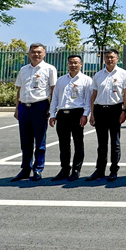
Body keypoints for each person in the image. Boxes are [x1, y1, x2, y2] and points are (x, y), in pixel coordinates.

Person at [12, 43, 57, 182]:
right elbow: (20, 89)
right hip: (24, 107)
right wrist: (17, 108)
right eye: (33, 52)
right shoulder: (23, 69)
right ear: (29, 54)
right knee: (25, 141)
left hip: (40, 106)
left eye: (39, 52)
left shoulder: (49, 69)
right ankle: (25, 169)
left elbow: (53, 90)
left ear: (44, 54)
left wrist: (52, 109)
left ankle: (38, 169)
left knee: (40, 141)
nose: (36, 54)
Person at [87, 49, 126, 182]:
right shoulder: (98, 75)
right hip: (100, 110)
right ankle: (100, 170)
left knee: (115, 142)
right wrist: (92, 113)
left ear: (117, 59)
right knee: (102, 143)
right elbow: (94, 95)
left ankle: (114, 170)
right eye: (107, 57)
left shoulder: (123, 74)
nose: (109, 60)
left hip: (115, 109)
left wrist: (124, 111)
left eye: (112, 57)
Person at [48, 54, 93, 182]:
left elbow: (88, 100)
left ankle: (76, 170)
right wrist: (52, 114)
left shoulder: (86, 80)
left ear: (81, 64)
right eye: (71, 63)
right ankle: (64, 169)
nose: (73, 65)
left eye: (76, 63)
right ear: (67, 64)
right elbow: (55, 98)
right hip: (62, 114)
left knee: (78, 143)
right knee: (63, 144)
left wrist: (85, 115)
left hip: (77, 113)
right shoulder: (61, 80)